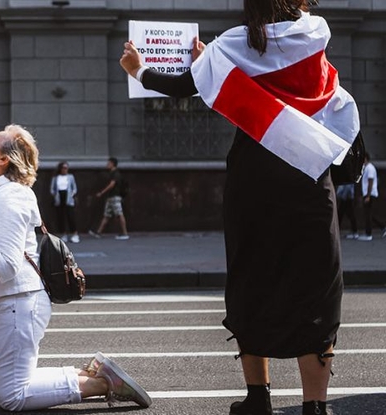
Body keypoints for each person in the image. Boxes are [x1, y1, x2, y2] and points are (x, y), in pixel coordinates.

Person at [119, 1, 360, 414]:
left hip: (255, 180)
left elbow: (182, 88)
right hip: (309, 178)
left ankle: (257, 399)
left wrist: (138, 69)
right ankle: (315, 406)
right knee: (316, 286)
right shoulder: (316, 36)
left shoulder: (235, 42)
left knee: (252, 278)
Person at [0, 124, 151, 412]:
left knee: (13, 396)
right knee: (17, 384)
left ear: (3, 159)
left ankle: (103, 384)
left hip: (18, 302)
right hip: (14, 302)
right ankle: (88, 375)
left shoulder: (8, 197)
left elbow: (7, 266)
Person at [88, 157, 129, 240]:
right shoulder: (112, 173)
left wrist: (101, 192)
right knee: (107, 215)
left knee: (119, 214)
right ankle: (98, 232)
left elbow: (112, 184)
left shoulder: (116, 173)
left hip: (115, 197)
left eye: (108, 163)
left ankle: (125, 233)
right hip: (110, 197)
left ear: (112, 164)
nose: (107, 165)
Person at [50, 161, 80, 243]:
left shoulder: (70, 177)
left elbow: (74, 187)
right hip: (59, 198)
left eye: (66, 168)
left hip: (68, 198)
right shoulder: (56, 178)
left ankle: (75, 234)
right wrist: (55, 195)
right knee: (61, 217)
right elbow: (52, 189)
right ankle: (64, 234)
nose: (65, 170)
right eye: (63, 168)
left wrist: (72, 194)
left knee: (71, 216)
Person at [358, 152, 385, 241]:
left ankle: (368, 234)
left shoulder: (369, 168)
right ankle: (383, 227)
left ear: (365, 158)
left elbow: (370, 181)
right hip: (369, 194)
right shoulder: (367, 168)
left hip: (370, 194)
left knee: (368, 215)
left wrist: (368, 196)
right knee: (369, 215)